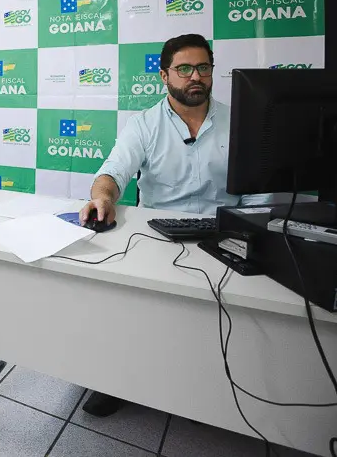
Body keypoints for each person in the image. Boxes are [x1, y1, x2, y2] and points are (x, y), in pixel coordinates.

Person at [77, 33, 268, 417]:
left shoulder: (243, 122)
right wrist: (103, 198)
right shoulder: (143, 124)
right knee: (124, 302)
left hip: (225, 233)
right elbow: (112, 173)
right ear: (164, 75)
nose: (194, 76)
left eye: (203, 68)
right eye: (183, 69)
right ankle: (113, 380)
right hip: (158, 232)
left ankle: (226, 388)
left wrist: (253, 231)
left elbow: (259, 193)